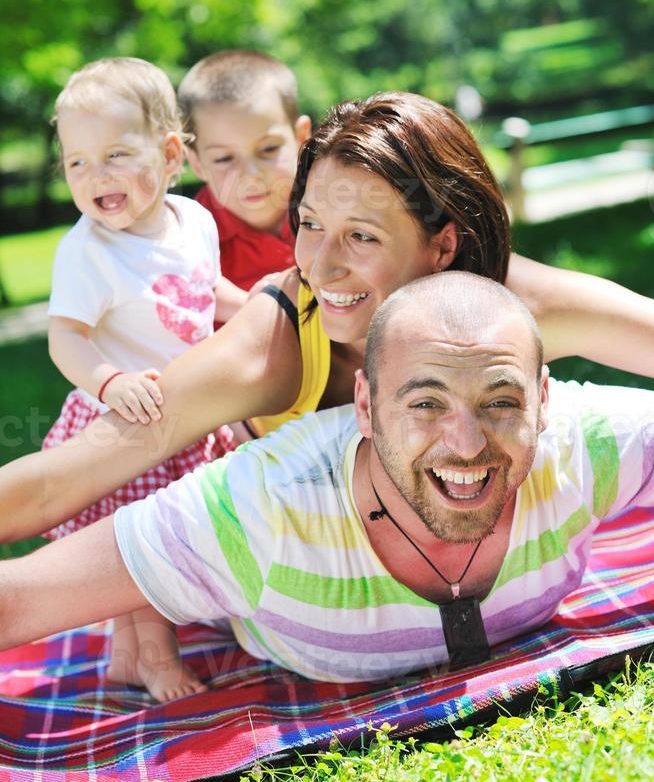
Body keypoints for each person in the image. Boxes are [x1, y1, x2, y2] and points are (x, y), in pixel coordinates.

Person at [3, 91, 654, 577]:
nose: (323, 265)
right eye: (310, 225)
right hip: (289, 584)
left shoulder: (507, 302)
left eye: (363, 236)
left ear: (443, 245)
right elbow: (58, 482)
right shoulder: (278, 337)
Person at [1, 274, 653, 686]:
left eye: (501, 402)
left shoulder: (580, 444)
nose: (467, 444)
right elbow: (21, 600)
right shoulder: (263, 507)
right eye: (425, 404)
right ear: (364, 406)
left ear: (542, 399)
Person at [41, 57, 246, 698]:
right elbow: (64, 337)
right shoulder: (88, 250)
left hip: (188, 412)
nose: (94, 175)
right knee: (140, 549)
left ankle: (127, 653)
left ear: (168, 155)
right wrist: (108, 383)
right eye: (77, 162)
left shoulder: (196, 222)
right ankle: (156, 657)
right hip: (126, 420)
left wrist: (264, 308)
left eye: (115, 155)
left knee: (157, 541)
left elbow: (205, 295)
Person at [178, 50, 311, 296]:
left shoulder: (339, 212)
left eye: (269, 149)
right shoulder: (187, 244)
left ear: (301, 138)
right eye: (224, 158)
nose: (250, 175)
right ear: (196, 163)